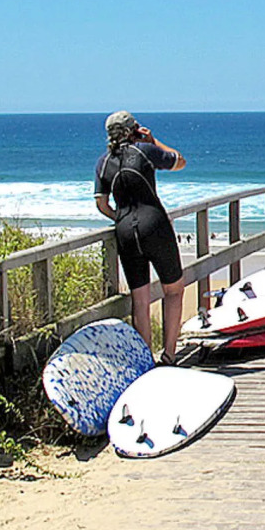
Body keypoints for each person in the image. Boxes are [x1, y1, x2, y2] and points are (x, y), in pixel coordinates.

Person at [94, 111, 187, 364]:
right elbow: (180, 161)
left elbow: (102, 204)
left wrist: (120, 218)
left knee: (140, 299)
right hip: (154, 224)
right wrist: (153, 140)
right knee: (173, 289)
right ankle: (169, 355)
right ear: (134, 130)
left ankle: (146, 360)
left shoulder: (103, 162)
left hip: (125, 229)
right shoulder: (145, 151)